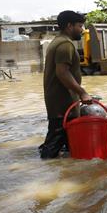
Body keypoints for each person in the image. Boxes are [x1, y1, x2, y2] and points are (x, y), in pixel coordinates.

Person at [39, 11, 92, 159]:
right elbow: (62, 73)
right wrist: (82, 92)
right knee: (52, 146)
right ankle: (44, 174)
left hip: (60, 101)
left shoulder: (57, 41)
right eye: (80, 26)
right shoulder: (65, 45)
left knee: (69, 145)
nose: (82, 29)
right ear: (69, 26)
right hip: (63, 104)